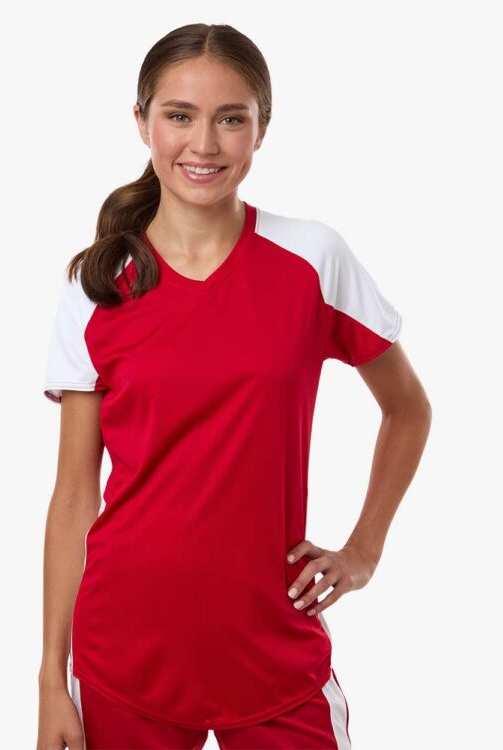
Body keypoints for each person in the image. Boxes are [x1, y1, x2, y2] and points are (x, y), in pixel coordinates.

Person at [36, 22, 432, 750]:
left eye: (230, 118)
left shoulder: (312, 259)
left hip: (274, 652)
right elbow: (72, 497)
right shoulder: (96, 286)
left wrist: (363, 551)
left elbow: (408, 410)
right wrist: (50, 682)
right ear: (143, 122)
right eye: (179, 115)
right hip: (124, 653)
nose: (204, 144)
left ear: (261, 129)